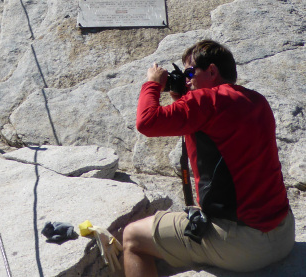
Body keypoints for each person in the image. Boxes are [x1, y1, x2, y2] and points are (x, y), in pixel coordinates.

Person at [122, 39, 294, 277]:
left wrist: (152, 83)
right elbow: (208, 131)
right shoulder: (257, 100)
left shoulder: (206, 101)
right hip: (283, 233)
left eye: (191, 72)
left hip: (244, 245)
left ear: (212, 71)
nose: (187, 79)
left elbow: (146, 122)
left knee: (132, 238)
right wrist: (179, 96)